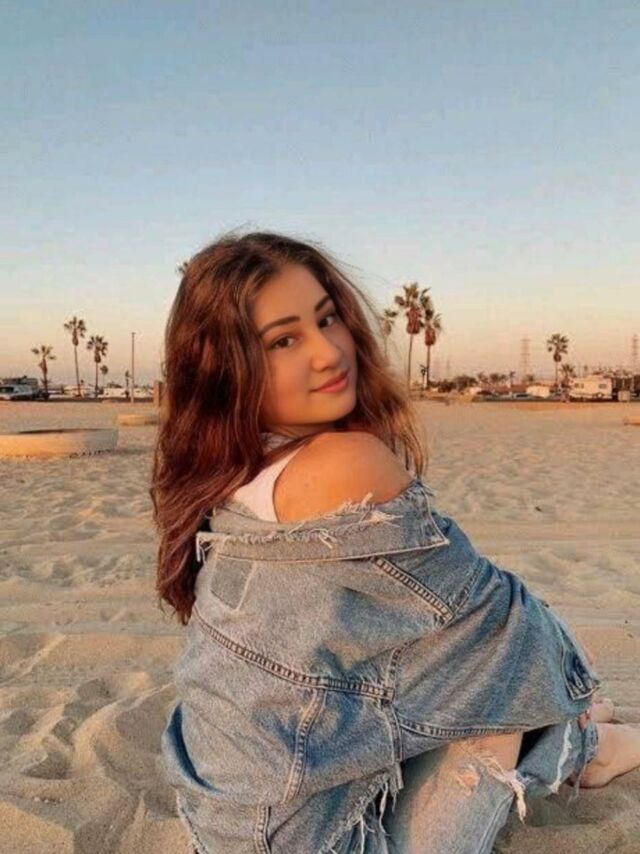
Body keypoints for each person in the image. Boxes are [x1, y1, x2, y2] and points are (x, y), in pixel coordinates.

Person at [153, 231, 640, 853]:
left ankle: (580, 735)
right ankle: (586, 745)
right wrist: (570, 677)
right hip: (328, 841)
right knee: (504, 661)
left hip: (225, 828)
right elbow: (508, 633)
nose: (329, 352)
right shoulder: (342, 462)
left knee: (444, 657)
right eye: (283, 341)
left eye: (326, 318)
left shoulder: (228, 473)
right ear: (227, 369)